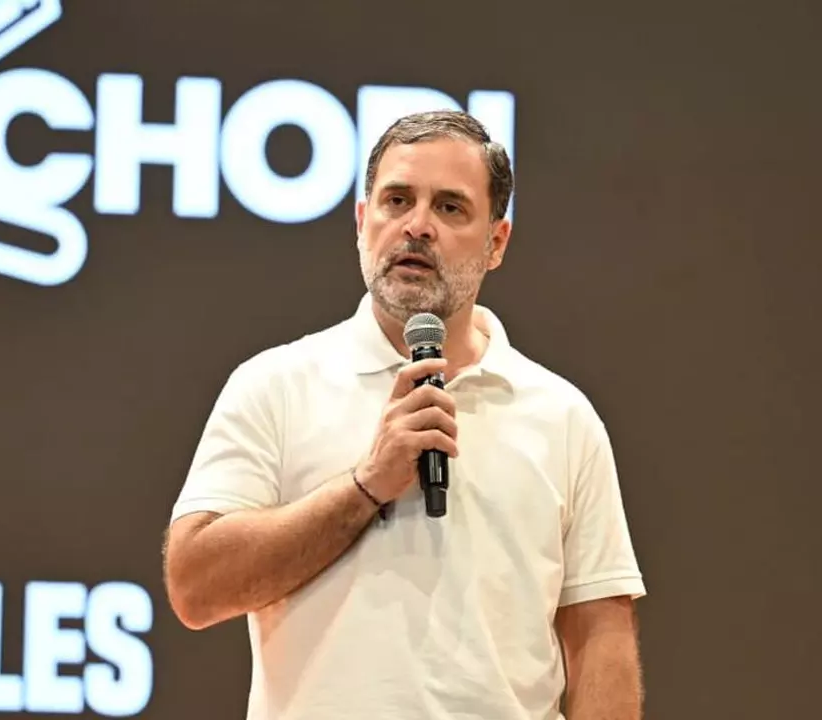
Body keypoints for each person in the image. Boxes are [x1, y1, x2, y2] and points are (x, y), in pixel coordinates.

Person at [162, 109, 646, 720]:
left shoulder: (562, 417)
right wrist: (365, 486)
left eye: (450, 207)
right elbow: (196, 587)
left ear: (496, 243)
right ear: (362, 222)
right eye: (397, 201)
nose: (417, 226)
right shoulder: (275, 386)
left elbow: (600, 637)